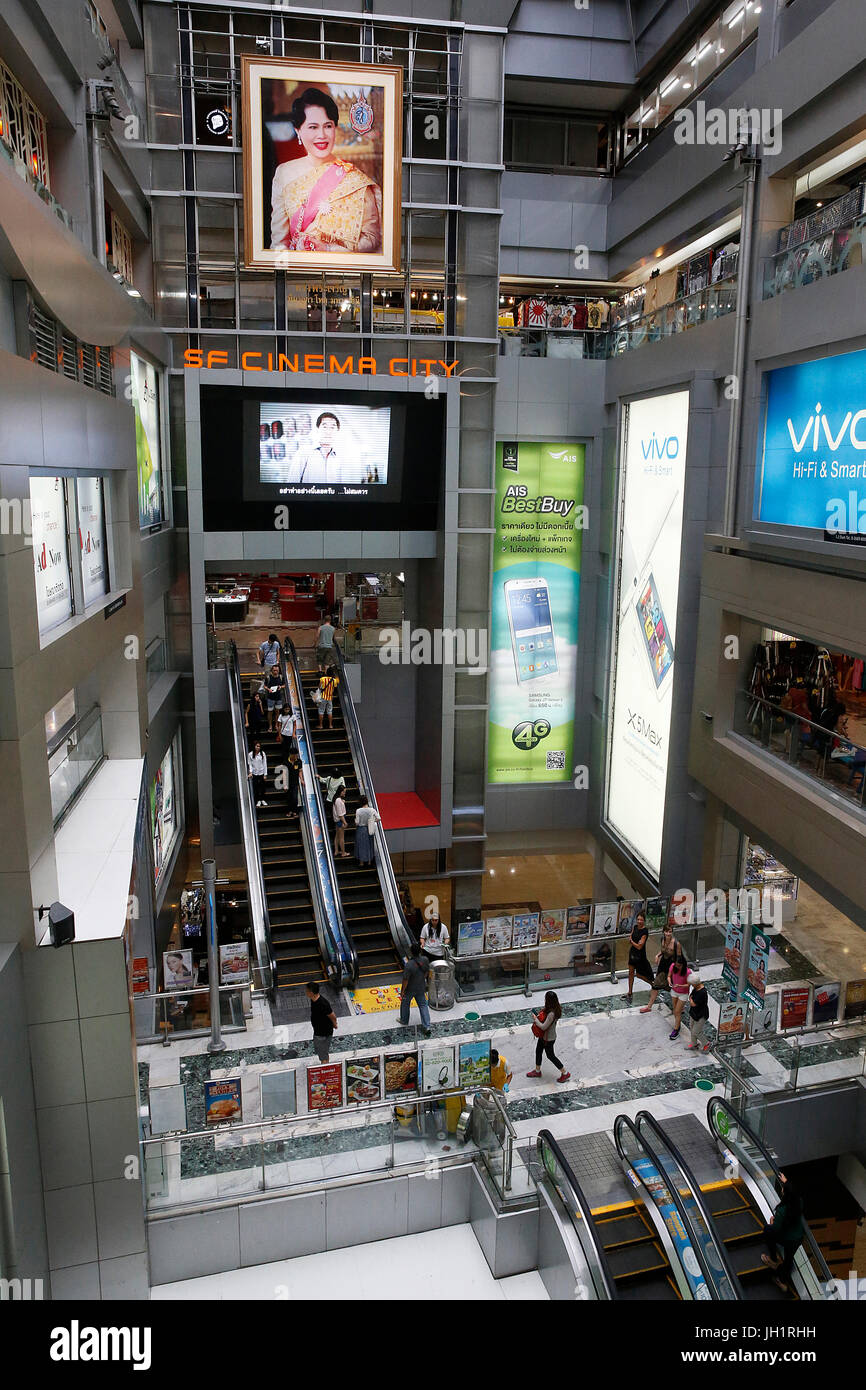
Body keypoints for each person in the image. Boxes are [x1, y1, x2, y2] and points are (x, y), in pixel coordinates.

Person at [270, 87, 383, 254]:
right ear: (298, 131)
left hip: (344, 273)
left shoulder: (354, 179)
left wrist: (329, 249)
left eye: (328, 126)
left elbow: (372, 239)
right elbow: (279, 243)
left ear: (335, 128)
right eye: (313, 127)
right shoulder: (284, 173)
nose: (322, 135)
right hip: (298, 273)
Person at [761, 1173, 805, 1294]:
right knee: (788, 1259)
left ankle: (773, 1259)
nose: (781, 1189)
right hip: (798, 1238)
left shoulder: (782, 1210)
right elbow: (793, 1193)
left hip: (787, 1238)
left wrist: (771, 1222)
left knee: (767, 1230)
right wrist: (786, 1182)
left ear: (785, 1194)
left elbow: (776, 1229)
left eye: (783, 1189)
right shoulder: (799, 1202)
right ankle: (782, 1282)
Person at [292, 411, 360, 486]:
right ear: (317, 429)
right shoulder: (303, 453)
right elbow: (291, 485)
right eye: (324, 427)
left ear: (337, 431)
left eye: (332, 427)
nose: (328, 431)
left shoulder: (343, 458)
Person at [526, 991, 570, 1083]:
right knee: (538, 1051)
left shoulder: (552, 1014)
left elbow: (543, 1027)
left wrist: (535, 1019)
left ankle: (565, 1073)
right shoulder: (555, 1008)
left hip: (548, 1038)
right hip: (544, 1036)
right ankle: (537, 1071)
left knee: (550, 1056)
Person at [640, 924, 676, 1013]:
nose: (668, 934)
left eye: (670, 932)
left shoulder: (675, 943)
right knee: (655, 985)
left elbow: (679, 957)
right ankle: (649, 1006)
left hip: (671, 966)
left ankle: (679, 1007)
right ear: (663, 932)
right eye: (666, 931)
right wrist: (658, 955)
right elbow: (663, 949)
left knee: (673, 987)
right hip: (663, 965)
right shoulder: (662, 939)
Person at [399, 942, 432, 1034]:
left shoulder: (409, 965)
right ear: (420, 951)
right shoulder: (425, 959)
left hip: (410, 989)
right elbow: (427, 972)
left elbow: (405, 980)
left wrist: (402, 991)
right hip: (421, 987)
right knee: (423, 1005)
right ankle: (427, 1026)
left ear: (411, 952)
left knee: (405, 1004)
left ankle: (404, 1020)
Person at [305, 980, 337, 1063]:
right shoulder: (313, 999)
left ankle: (325, 1068)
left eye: (307, 991)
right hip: (319, 1030)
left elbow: (332, 1015)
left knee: (322, 1052)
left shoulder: (323, 1003)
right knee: (321, 1051)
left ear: (311, 992)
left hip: (323, 1032)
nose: (306, 992)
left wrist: (335, 1024)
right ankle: (325, 1063)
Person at [626, 910, 654, 1004]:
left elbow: (639, 946)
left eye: (641, 920)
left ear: (644, 921)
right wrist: (632, 941)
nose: (639, 921)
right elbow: (631, 935)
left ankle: (652, 984)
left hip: (640, 956)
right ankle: (630, 991)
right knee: (630, 973)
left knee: (639, 974)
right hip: (632, 954)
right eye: (638, 919)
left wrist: (632, 942)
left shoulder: (645, 931)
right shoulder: (635, 927)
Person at [667, 940, 690, 1040]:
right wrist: (669, 982)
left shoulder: (687, 972)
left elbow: (689, 984)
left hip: (683, 994)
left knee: (677, 1011)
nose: (677, 967)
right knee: (675, 1010)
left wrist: (680, 985)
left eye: (679, 965)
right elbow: (669, 976)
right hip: (674, 991)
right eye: (676, 965)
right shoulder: (673, 966)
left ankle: (676, 1029)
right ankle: (678, 1023)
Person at [686, 971, 711, 1051]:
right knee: (692, 1027)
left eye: (692, 984)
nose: (691, 986)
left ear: (696, 983)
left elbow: (693, 1003)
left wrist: (690, 999)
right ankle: (694, 1044)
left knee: (696, 1031)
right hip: (694, 1013)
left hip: (701, 1014)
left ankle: (706, 1044)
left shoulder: (702, 992)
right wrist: (691, 999)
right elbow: (692, 998)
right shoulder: (696, 988)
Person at [353, 795, 380, 865]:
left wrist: (355, 821)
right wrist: (372, 820)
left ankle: (361, 862)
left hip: (361, 830)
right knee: (369, 844)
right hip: (369, 829)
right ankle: (369, 861)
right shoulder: (372, 810)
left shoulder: (358, 811)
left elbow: (357, 822)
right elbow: (379, 818)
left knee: (361, 845)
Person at [263, 664, 285, 733]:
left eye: (277, 670)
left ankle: (276, 724)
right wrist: (268, 689)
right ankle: (270, 725)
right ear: (272, 670)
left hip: (278, 697)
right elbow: (264, 686)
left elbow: (284, 685)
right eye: (274, 670)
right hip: (270, 697)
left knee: (277, 712)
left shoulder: (281, 677)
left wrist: (281, 687)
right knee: (270, 712)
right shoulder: (268, 677)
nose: (276, 671)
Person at [247, 741, 267, 807]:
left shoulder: (262, 753)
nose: (258, 747)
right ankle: (258, 800)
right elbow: (250, 764)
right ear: (254, 746)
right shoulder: (250, 754)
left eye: (259, 746)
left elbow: (264, 764)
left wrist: (265, 774)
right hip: (255, 773)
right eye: (257, 746)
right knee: (256, 787)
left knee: (262, 787)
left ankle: (263, 799)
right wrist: (250, 772)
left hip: (261, 773)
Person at [285, 748, 301, 820]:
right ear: (291, 755)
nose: (296, 756)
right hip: (288, 782)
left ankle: (295, 811)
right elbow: (284, 774)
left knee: (295, 797)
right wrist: (285, 784)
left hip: (295, 782)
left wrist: (302, 779)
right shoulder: (286, 762)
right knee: (289, 797)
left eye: (296, 755)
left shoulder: (299, 762)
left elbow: (300, 771)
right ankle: (290, 810)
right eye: (295, 755)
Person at [332, 790, 349, 857]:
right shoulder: (338, 800)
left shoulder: (337, 799)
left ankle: (336, 851)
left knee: (337, 836)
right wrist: (345, 822)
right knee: (341, 838)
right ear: (340, 792)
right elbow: (340, 814)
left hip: (337, 820)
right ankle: (343, 852)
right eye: (344, 792)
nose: (345, 793)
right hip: (340, 820)